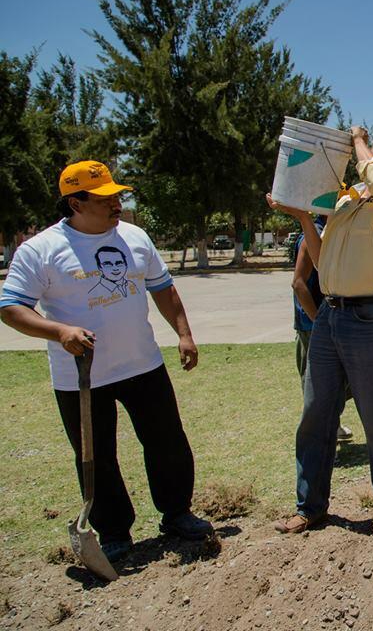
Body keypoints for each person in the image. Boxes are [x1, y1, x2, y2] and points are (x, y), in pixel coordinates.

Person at [0, 161, 213, 563]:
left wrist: (183, 334)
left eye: (117, 195)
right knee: (96, 456)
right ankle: (114, 531)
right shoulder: (41, 250)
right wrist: (60, 331)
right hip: (81, 375)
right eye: (104, 198)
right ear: (75, 202)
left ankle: (177, 513)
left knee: (167, 442)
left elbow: (163, 289)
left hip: (143, 365)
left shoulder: (134, 237)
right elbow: (11, 307)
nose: (116, 203)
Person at [268, 126, 373, 534]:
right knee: (316, 414)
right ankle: (310, 506)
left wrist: (360, 140)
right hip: (330, 315)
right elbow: (322, 261)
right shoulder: (348, 197)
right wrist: (303, 216)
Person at [291, 218, 352, 442]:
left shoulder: (328, 230)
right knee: (316, 386)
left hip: (325, 322)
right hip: (311, 326)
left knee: (339, 381)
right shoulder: (313, 235)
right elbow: (298, 284)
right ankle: (318, 437)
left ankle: (331, 424)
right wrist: (318, 322)